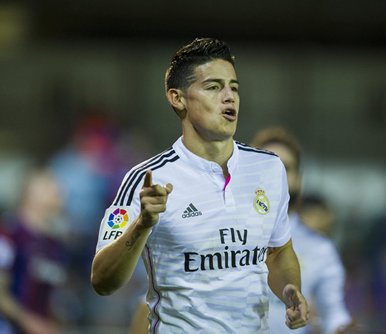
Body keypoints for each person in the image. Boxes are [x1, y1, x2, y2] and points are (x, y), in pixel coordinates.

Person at [91, 37, 309, 333]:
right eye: (213, 87)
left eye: (234, 87)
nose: (229, 96)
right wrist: (142, 223)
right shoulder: (146, 179)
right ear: (177, 98)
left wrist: (289, 289)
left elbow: (278, 251)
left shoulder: (269, 169)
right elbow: (102, 281)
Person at [251, 127, 353, 334]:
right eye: (267, 166)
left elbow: (333, 314)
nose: (276, 174)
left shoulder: (321, 250)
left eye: (285, 168)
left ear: (299, 178)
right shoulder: (221, 238)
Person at [0, 167, 67, 334]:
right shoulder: (8, 233)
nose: (58, 190)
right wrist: (30, 323)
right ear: (31, 193)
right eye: (49, 185)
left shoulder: (53, 243)